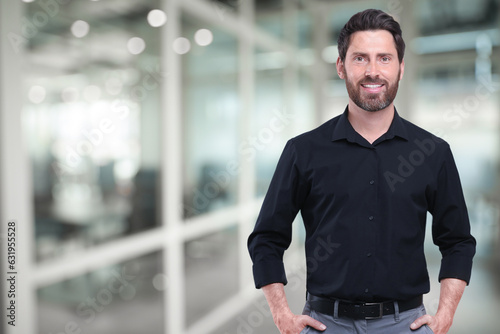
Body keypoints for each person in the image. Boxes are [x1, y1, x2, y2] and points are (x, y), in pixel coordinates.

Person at [247, 8, 476, 334]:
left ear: (400, 68)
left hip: (406, 324)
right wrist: (281, 313)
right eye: (360, 59)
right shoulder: (304, 151)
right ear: (341, 67)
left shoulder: (432, 153)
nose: (373, 71)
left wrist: (446, 313)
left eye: (384, 58)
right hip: (326, 323)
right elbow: (266, 238)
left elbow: (458, 242)